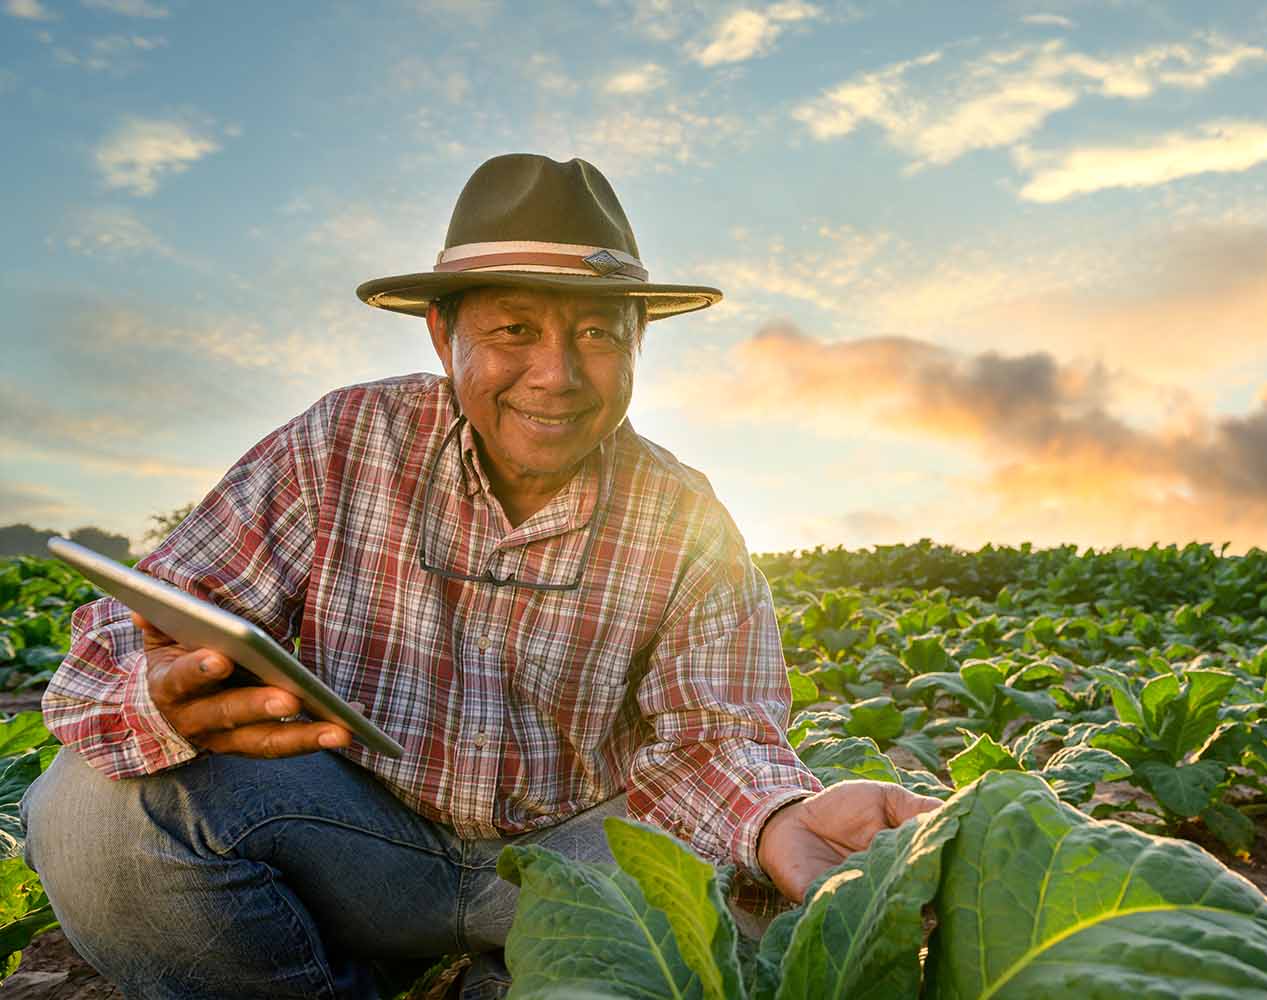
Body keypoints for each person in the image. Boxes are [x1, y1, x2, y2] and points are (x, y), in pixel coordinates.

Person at [21, 154, 941, 999]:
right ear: (440, 334)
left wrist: (779, 818)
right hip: (360, 839)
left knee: (755, 914)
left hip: (576, 861)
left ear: (636, 345)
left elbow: (712, 736)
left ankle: (517, 976)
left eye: (596, 332)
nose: (558, 374)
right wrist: (151, 693)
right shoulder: (342, 443)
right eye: (512, 329)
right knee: (91, 815)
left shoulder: (684, 512)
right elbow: (129, 630)